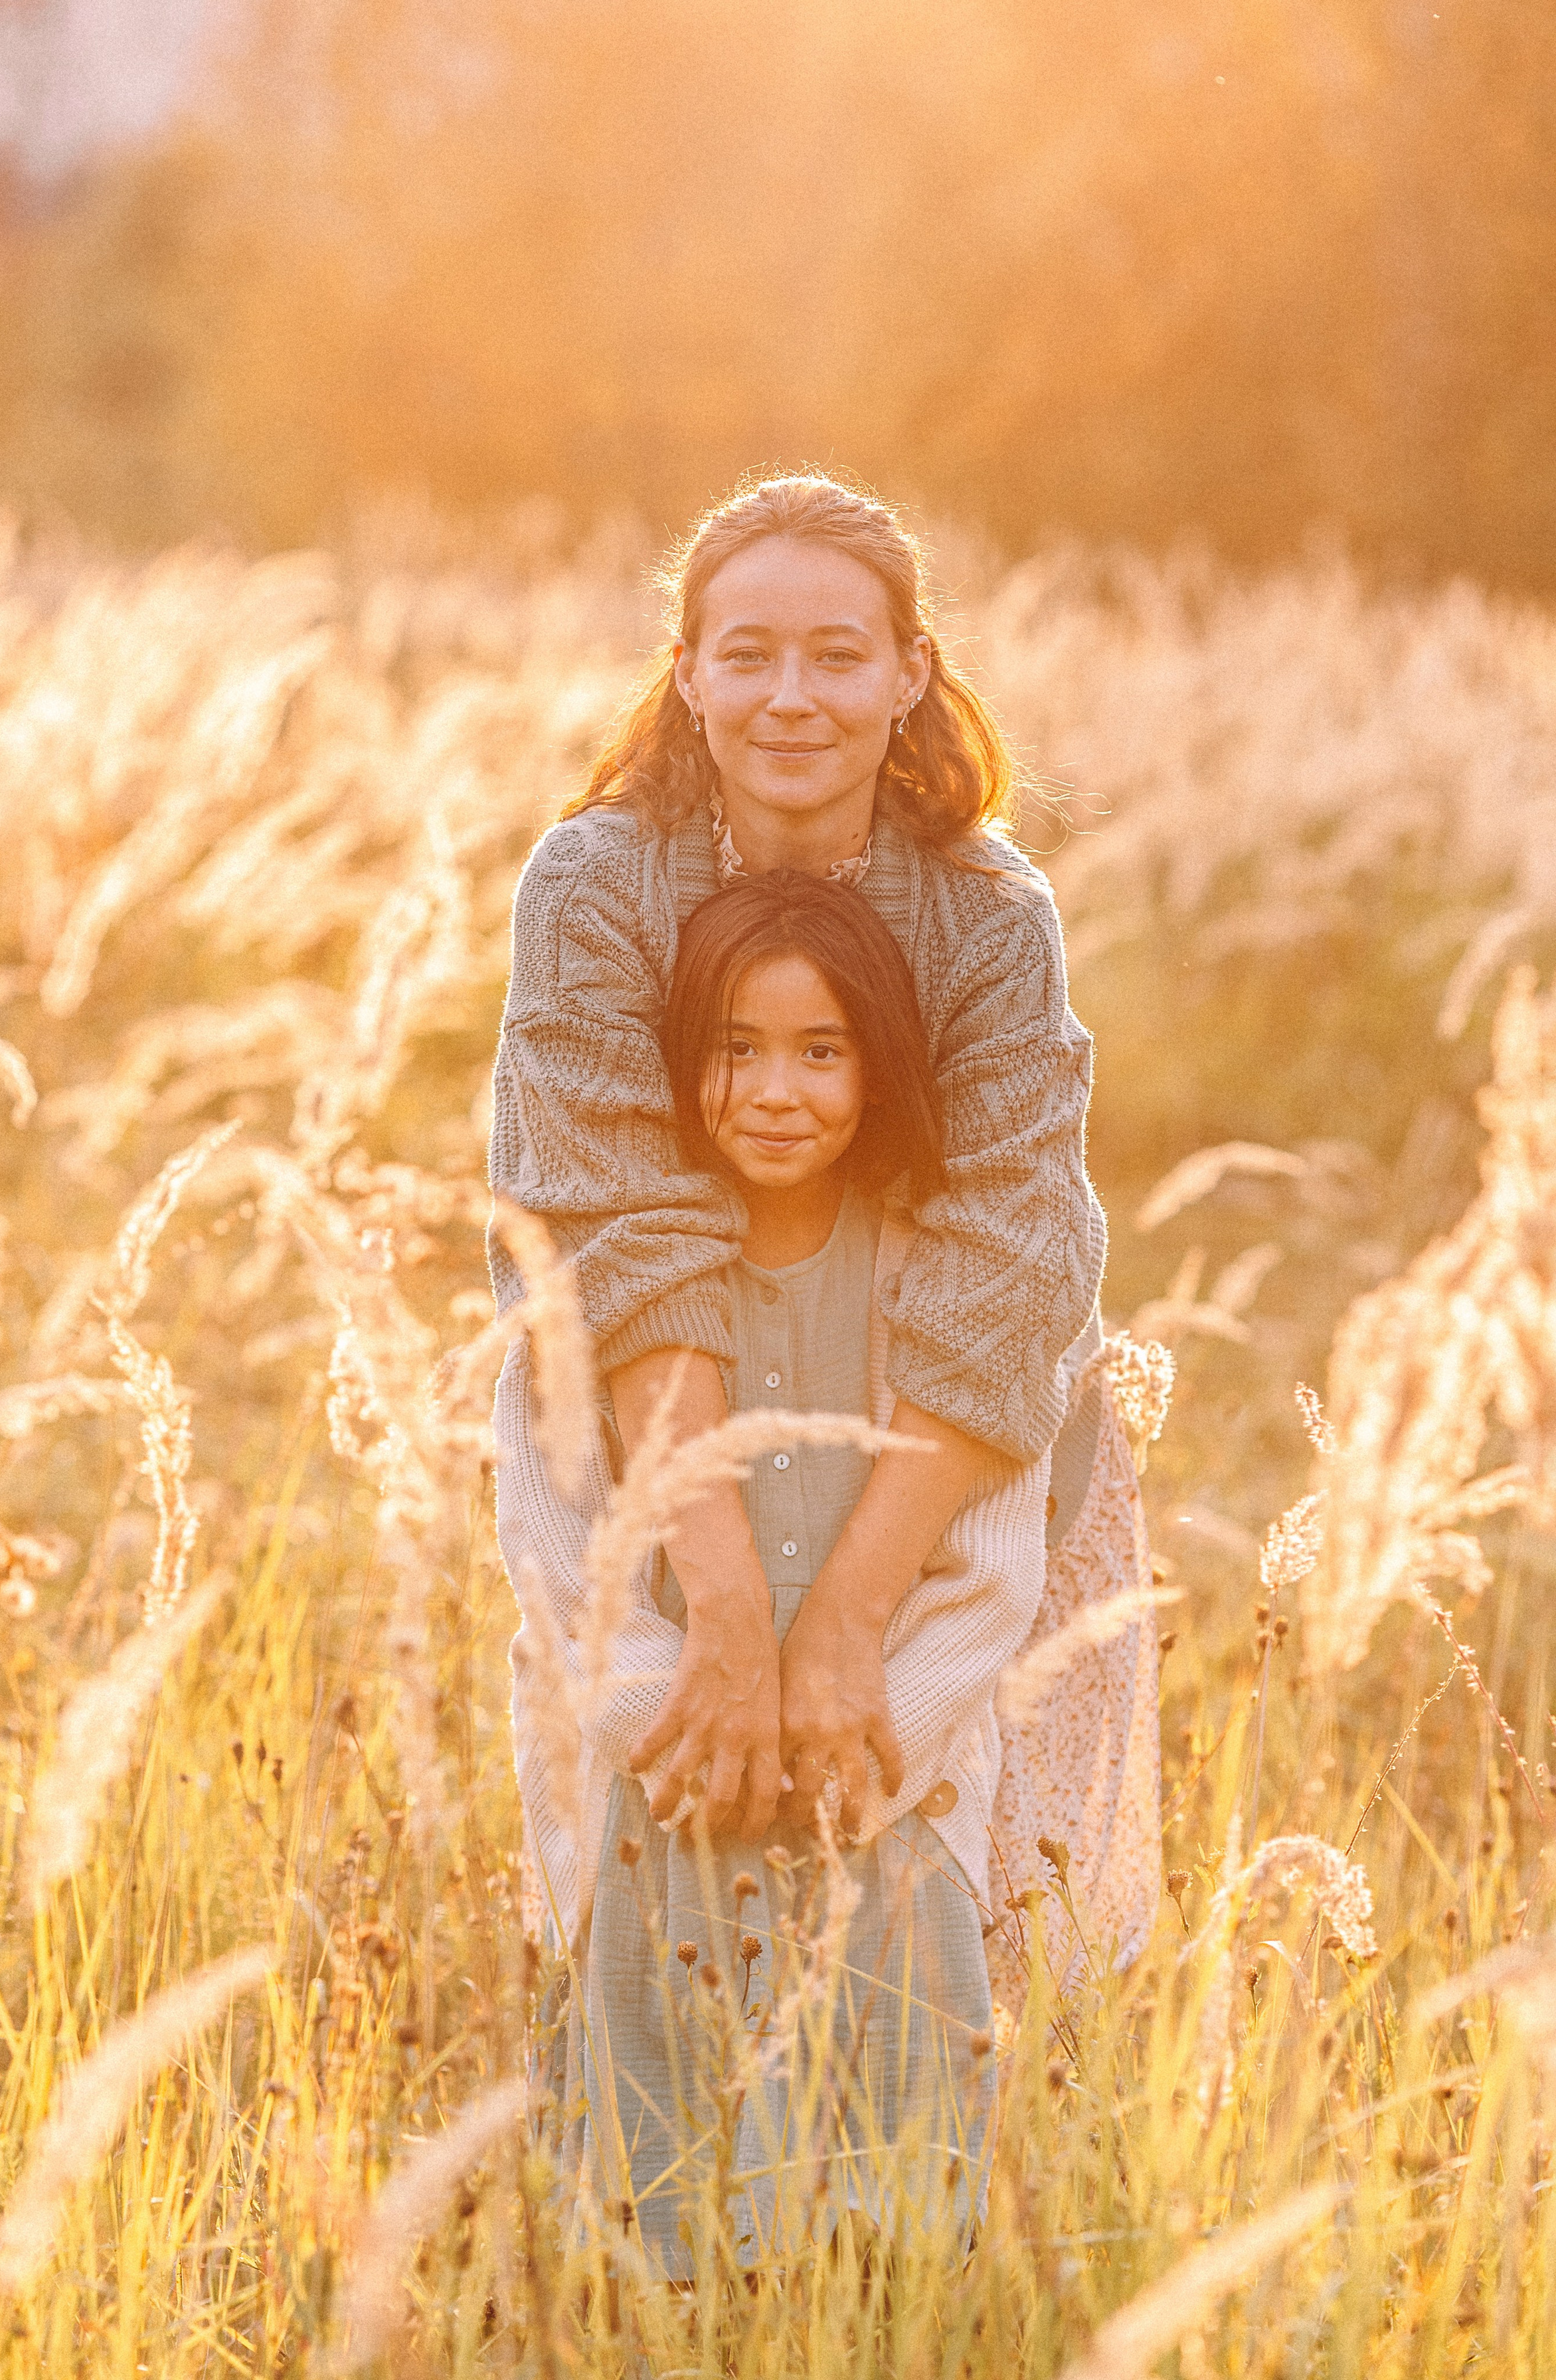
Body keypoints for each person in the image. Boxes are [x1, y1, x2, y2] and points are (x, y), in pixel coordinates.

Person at [489, 471, 1114, 1865]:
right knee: (666, 1816)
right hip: (651, 1393)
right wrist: (721, 1611)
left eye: (837, 656)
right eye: (748, 654)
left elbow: (1014, 1252)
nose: (791, 696)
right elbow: (609, 1233)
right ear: (688, 676)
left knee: (915, 1842)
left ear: (908, 675)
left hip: (924, 1408)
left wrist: (838, 1620)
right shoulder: (593, 886)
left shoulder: (986, 912)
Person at [495, 869, 1050, 2266]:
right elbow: (559, 1545)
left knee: (876, 2191)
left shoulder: (939, 1282)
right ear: (678, 1063)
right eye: (733, 1049)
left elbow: (990, 1553)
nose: (773, 1090)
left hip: (879, 1804)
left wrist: (874, 1742)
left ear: (880, 1066)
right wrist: (667, 1727)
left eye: (820, 1050)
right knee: (651, 2178)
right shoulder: (615, 1295)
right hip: (661, 1807)